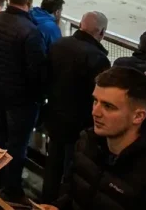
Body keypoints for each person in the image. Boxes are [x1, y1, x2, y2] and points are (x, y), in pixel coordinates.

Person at [46, 67, 146, 210]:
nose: (95, 112)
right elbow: (71, 195)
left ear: (138, 116)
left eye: (108, 106)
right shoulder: (86, 142)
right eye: (95, 101)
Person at [0, 0, 47, 203]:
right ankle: (12, 188)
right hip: (20, 100)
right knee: (17, 145)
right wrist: (38, 99)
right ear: (29, 2)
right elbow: (36, 71)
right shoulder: (30, 31)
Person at [42, 11, 111, 203]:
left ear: (80, 25)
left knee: (53, 164)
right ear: (102, 32)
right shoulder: (98, 58)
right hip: (79, 125)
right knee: (72, 170)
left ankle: (45, 202)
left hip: (54, 116)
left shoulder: (59, 44)